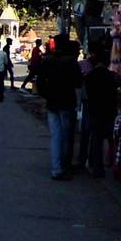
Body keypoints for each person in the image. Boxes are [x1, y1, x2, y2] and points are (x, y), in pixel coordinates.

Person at [35, 38, 82, 179]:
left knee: (56, 136)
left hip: (52, 103)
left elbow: (40, 82)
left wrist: (47, 95)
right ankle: (63, 166)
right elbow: (78, 83)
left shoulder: (47, 60)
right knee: (66, 137)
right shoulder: (71, 62)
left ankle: (56, 168)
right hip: (67, 102)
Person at [80, 49, 118, 177]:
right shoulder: (111, 76)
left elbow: (86, 93)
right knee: (108, 137)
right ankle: (112, 165)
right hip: (109, 110)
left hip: (94, 109)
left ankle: (96, 166)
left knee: (96, 138)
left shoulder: (90, 76)